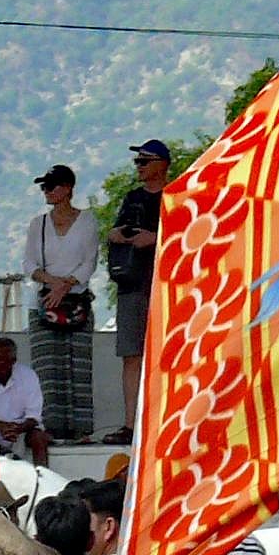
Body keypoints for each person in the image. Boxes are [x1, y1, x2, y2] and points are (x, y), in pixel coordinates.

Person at [23, 166, 100, 443]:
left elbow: (89, 261)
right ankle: (51, 427)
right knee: (48, 368)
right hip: (45, 302)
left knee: (78, 366)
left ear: (67, 188)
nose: (46, 191)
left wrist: (66, 286)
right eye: (44, 187)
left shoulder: (87, 221)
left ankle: (80, 429)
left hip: (76, 301)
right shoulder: (38, 224)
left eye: (51, 186)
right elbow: (29, 263)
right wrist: (53, 283)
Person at [109, 138, 171, 419]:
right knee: (131, 355)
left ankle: (160, 420)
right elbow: (114, 232)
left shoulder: (175, 195)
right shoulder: (131, 198)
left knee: (164, 354)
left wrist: (155, 239)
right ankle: (131, 422)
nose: (139, 166)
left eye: (144, 161)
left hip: (163, 286)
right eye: (137, 161)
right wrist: (122, 235)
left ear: (162, 164)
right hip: (132, 284)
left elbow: (186, 237)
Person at [0, 336, 50, 464]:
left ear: (13, 361)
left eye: (4, 359)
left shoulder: (28, 375)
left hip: (20, 429)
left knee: (39, 437)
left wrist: (16, 429)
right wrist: (0, 427)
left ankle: (42, 474)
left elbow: (34, 416)